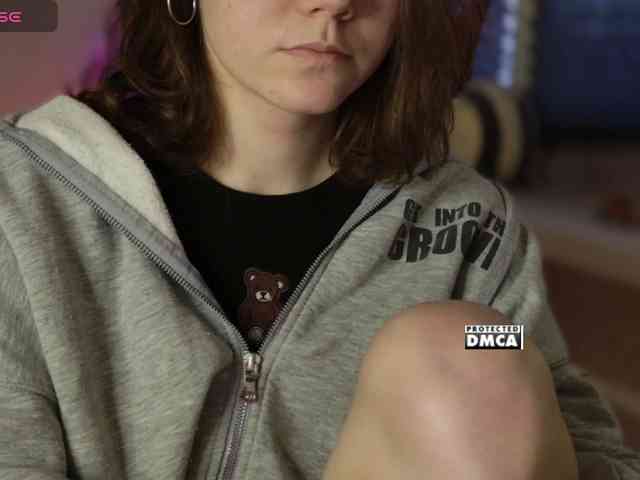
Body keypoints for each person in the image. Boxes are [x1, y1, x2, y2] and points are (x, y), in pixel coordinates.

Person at [0, 0, 639, 479]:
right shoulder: (27, 195)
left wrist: (491, 342)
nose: (334, 4)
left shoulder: (466, 225)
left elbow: (543, 383)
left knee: (472, 344)